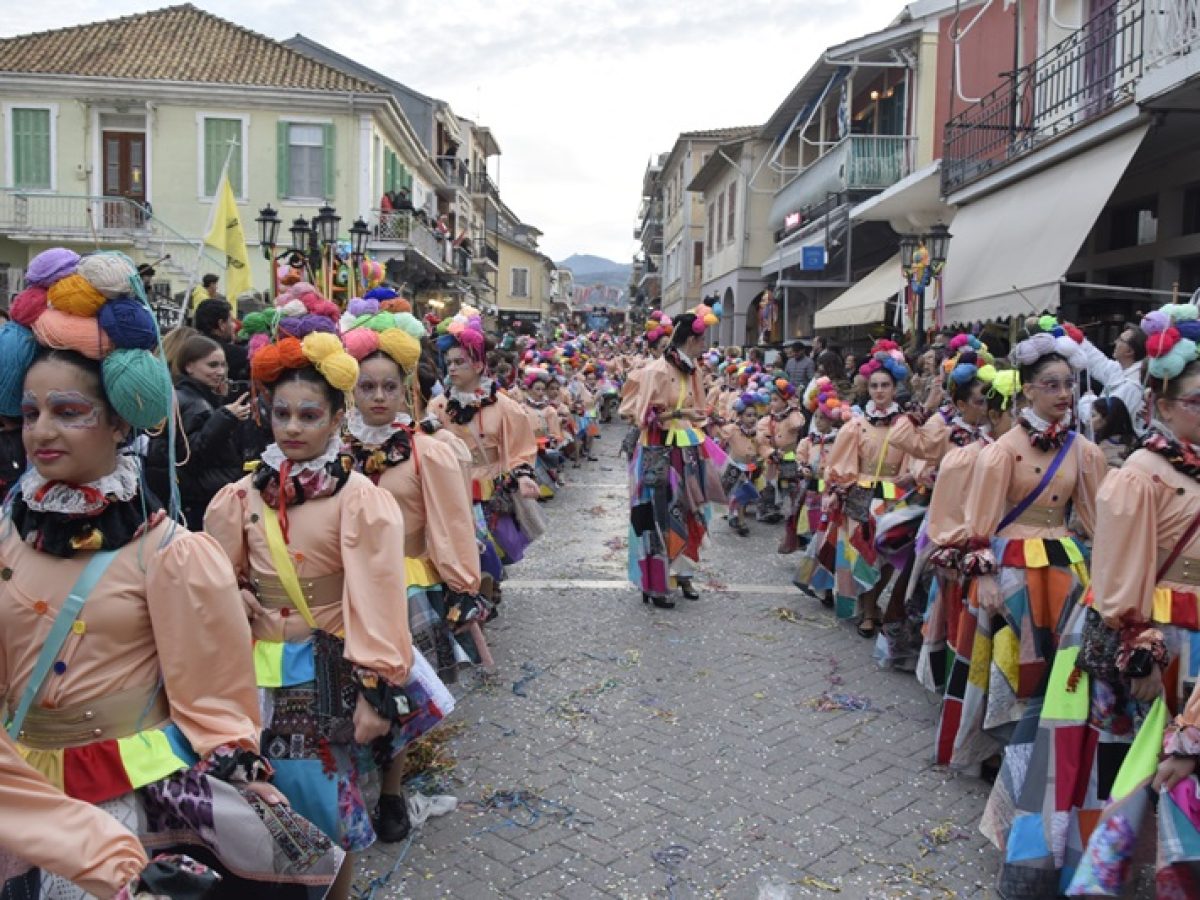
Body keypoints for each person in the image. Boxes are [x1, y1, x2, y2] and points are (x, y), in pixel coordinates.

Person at [0, 249, 342, 898]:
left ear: (119, 421)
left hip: (127, 790)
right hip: (19, 792)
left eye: (68, 411)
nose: (42, 430)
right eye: (31, 412)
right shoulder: (7, 533)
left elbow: (212, 690)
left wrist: (240, 763)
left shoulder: (167, 553)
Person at [205, 307, 449, 900]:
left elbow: (379, 597)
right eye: (281, 413)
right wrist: (235, 592)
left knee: (325, 806)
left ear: (337, 418)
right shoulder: (242, 495)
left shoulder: (358, 498)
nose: (292, 427)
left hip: (324, 669)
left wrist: (376, 689)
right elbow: (220, 575)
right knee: (259, 803)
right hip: (253, 671)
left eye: (309, 415)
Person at [965, 320, 1108, 878]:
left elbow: (1093, 520)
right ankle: (1006, 760)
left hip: (1064, 571)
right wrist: (984, 577)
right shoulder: (1001, 452)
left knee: (1055, 678)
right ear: (1027, 390)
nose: (1064, 393)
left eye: (1069, 383)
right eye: (1051, 384)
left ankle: (1028, 777)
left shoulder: (1082, 451)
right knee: (1014, 673)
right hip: (1012, 574)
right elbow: (979, 523)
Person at [342, 318, 480, 842]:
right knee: (349, 693)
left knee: (398, 695)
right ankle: (353, 786)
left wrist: (461, 586)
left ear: (406, 391)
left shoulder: (428, 449)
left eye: (389, 387)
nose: (378, 397)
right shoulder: (335, 450)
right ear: (351, 392)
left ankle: (392, 792)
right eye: (367, 387)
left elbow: (451, 522)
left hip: (407, 587)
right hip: (346, 591)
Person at [426, 308, 541, 609]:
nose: (452, 368)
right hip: (452, 486)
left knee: (490, 545)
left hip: (489, 487)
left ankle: (487, 587)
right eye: (449, 362)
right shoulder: (437, 406)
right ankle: (472, 594)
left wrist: (523, 476)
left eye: (459, 362)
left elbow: (520, 445)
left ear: (478, 364)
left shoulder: (504, 406)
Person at [620, 305, 726, 608]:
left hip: (687, 448)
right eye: (702, 341)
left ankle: (683, 573)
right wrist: (678, 414)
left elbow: (698, 411)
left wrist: (702, 420)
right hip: (657, 449)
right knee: (655, 514)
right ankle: (654, 582)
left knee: (691, 510)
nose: (704, 347)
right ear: (691, 340)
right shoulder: (655, 371)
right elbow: (642, 415)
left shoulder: (693, 370)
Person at [819, 341, 915, 637]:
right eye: (874, 386)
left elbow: (915, 458)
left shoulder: (906, 423)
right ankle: (868, 609)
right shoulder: (857, 425)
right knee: (864, 554)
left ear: (895, 387)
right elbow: (842, 462)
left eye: (885, 385)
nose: (879, 391)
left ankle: (870, 605)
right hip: (861, 496)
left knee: (889, 556)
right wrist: (837, 489)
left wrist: (910, 476)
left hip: (894, 497)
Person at [146, 335, 251, 529]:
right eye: (212, 365)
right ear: (189, 367)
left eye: (223, 365)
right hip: (197, 502)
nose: (221, 372)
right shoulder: (193, 403)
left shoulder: (194, 397)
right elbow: (191, 453)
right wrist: (225, 417)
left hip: (200, 497)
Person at [1078, 323, 1147, 430]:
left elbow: (1102, 421)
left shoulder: (1132, 387)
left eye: (1121, 340)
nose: (1115, 342)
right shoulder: (1120, 369)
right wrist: (1079, 340)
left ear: (1130, 351)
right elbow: (1098, 362)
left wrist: (1087, 400)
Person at [194, 297, 249, 383]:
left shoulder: (187, 351)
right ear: (221, 324)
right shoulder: (239, 355)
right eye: (231, 321)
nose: (234, 325)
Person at [1091, 395, 1137, 468]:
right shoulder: (1135, 442)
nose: (1089, 419)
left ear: (1107, 419)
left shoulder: (1105, 450)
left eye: (1093, 415)